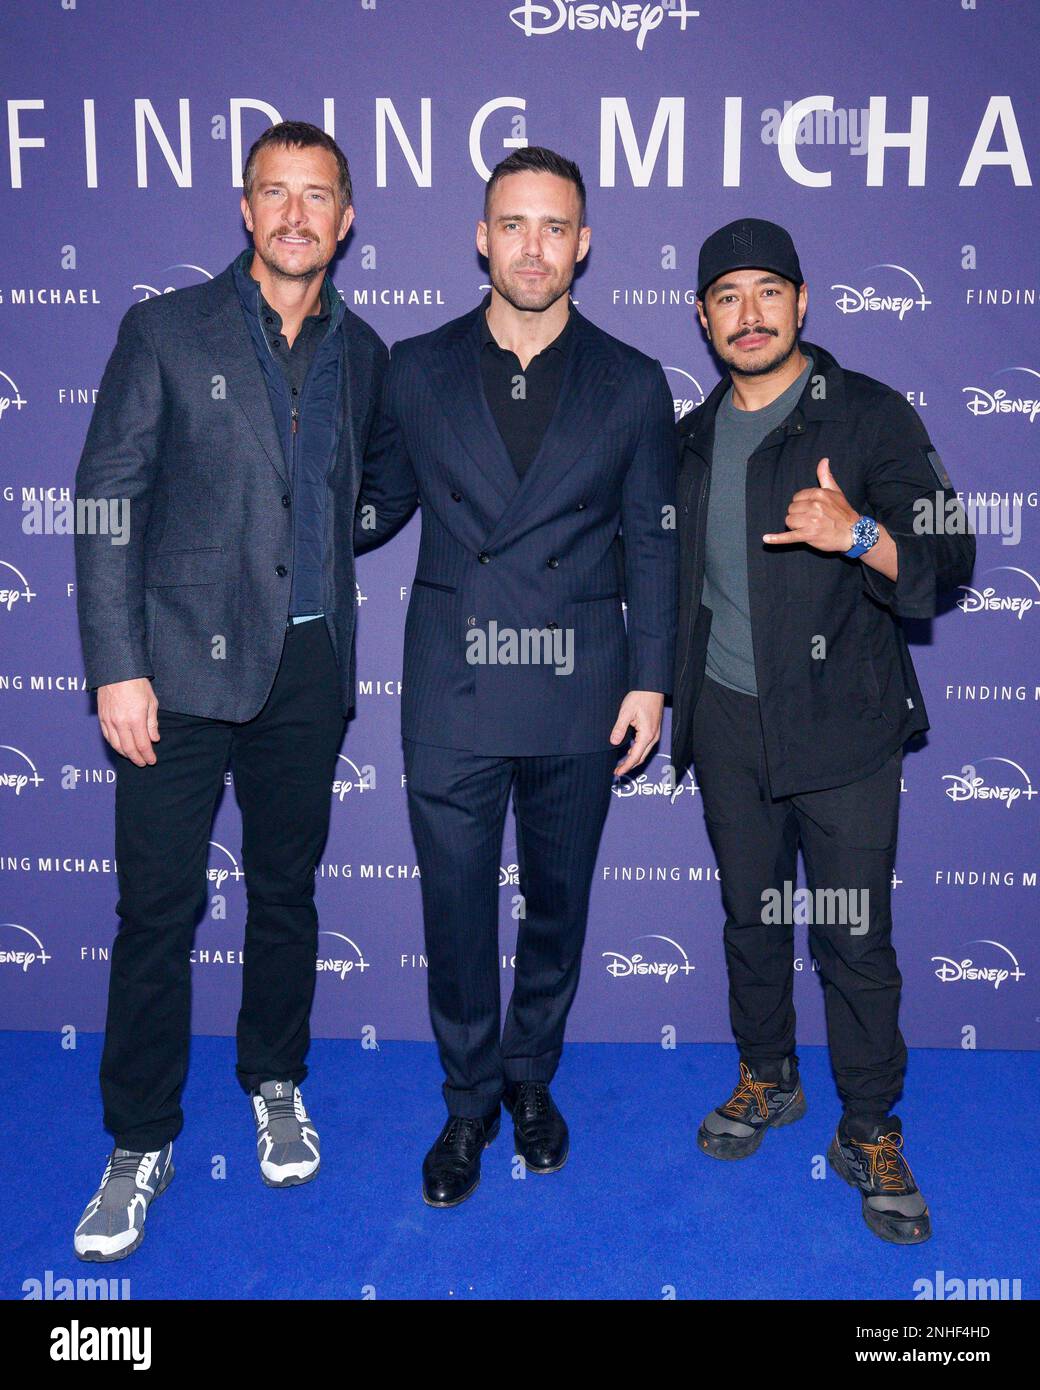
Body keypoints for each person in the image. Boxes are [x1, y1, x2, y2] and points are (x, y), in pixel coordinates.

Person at [71, 121, 411, 1262]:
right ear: (244, 207)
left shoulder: (363, 353)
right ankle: (139, 1138)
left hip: (307, 667)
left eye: (319, 196)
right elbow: (108, 500)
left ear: (346, 218)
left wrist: (324, 551)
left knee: (286, 892)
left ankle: (274, 1076)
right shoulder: (165, 329)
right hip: (173, 670)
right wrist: (116, 663)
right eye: (277, 192)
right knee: (157, 913)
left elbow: (373, 484)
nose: (297, 214)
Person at [371, 147, 677, 1207]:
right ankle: (468, 1102)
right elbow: (370, 500)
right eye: (513, 224)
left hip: (578, 686)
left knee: (555, 905)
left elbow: (652, 538)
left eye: (554, 227)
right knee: (455, 910)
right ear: (480, 236)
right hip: (451, 686)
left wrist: (651, 681)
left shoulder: (632, 381)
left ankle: (530, 1078)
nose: (532, 246)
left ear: (582, 244)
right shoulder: (411, 367)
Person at [670, 218, 975, 1245]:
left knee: (852, 938)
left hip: (842, 731)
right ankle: (767, 1079)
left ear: (801, 303)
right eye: (726, 296)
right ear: (703, 317)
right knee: (749, 922)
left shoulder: (868, 416)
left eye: (767, 292)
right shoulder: (691, 435)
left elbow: (950, 552)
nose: (747, 314)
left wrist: (855, 533)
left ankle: (869, 1127)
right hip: (724, 722)